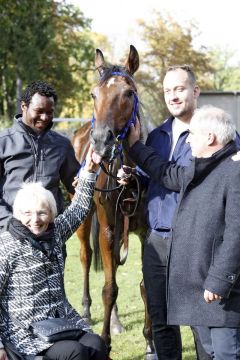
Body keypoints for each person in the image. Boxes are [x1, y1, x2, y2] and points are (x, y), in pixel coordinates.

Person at [124, 105, 240, 359]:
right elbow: (164, 171)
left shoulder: (234, 172)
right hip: (201, 289)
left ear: (210, 138)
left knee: (227, 353)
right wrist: (135, 147)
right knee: (211, 351)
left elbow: (236, 234)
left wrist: (220, 280)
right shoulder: (198, 170)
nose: (187, 140)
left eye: (193, 134)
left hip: (221, 295)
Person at [121, 65, 209, 360]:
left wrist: (135, 149)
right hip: (157, 242)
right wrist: (134, 177)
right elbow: (154, 179)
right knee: (161, 322)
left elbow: (180, 177)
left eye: (180, 89)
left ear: (195, 91)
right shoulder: (157, 135)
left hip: (196, 243)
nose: (173, 96)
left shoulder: (213, 134)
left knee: (202, 325)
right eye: (168, 90)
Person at [0, 145, 108, 360]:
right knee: (74, 353)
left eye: (42, 212)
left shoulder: (55, 232)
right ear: (17, 214)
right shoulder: (6, 245)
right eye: (27, 213)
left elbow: (78, 209)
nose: (35, 220)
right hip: (25, 330)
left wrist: (90, 170)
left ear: (51, 213)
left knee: (96, 344)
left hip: (62, 322)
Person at [0, 80, 80, 232]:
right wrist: (9, 224)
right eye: (39, 111)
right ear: (24, 107)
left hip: (50, 236)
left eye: (50, 112)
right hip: (8, 235)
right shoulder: (3, 143)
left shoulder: (62, 145)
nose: (44, 117)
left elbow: (78, 186)